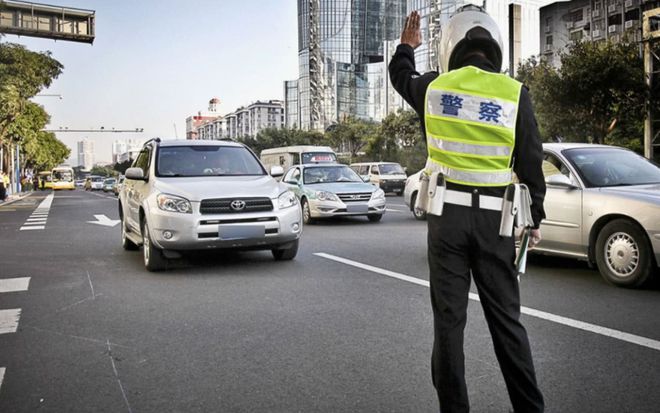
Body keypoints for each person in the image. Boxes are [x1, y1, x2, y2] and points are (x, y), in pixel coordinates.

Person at [389, 6, 546, 413]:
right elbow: (531, 163)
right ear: (493, 50)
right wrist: (536, 219)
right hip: (497, 223)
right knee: (508, 324)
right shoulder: (515, 93)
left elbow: (399, 75)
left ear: (451, 48)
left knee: (449, 324)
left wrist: (407, 46)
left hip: (447, 221)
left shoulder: (435, 89)